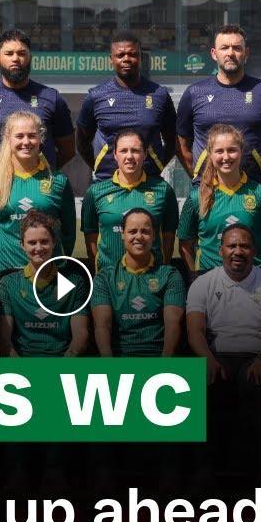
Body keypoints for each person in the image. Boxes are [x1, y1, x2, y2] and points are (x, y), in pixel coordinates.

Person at [186, 224, 261, 469]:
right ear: (220, 250)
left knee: (260, 384)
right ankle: (203, 472)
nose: (238, 251)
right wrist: (208, 361)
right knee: (198, 387)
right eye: (232, 245)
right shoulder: (202, 283)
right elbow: (195, 332)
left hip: (258, 356)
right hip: (216, 355)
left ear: (254, 251)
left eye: (244, 246)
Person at [176, 24, 261, 183]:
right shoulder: (194, 93)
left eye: (237, 48)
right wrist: (200, 179)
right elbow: (181, 146)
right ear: (214, 54)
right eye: (224, 48)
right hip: (207, 189)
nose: (230, 53)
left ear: (246, 53)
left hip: (253, 189)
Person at [0, 110, 76, 276]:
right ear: (8, 138)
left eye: (32, 136)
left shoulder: (58, 181)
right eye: (19, 136)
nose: (26, 141)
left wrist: (57, 264)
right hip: (5, 272)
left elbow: (68, 233)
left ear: (41, 138)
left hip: (47, 274)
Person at [0, 29, 75, 177]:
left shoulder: (52, 98)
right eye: (9, 54)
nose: (15, 58)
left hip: (41, 185)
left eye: (21, 53)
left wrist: (44, 171)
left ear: (30, 58)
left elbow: (68, 150)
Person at [177, 124, 261, 274]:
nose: (226, 157)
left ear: (241, 151)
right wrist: (196, 276)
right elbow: (185, 245)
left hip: (251, 282)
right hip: (209, 281)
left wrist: (257, 273)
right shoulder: (196, 196)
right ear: (210, 154)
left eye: (231, 150)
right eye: (219, 151)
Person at [75, 31, 177, 181]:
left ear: (140, 57)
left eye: (132, 54)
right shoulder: (96, 96)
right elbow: (82, 142)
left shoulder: (159, 95)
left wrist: (157, 167)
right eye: (120, 55)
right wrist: (100, 167)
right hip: (107, 181)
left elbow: (173, 141)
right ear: (111, 59)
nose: (126, 59)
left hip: (149, 182)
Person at [80, 130, 178, 273]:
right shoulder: (95, 192)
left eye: (135, 151)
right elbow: (91, 240)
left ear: (145, 154)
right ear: (115, 155)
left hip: (151, 277)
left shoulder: (163, 190)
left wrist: (160, 272)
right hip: (109, 279)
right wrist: (102, 273)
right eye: (123, 151)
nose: (129, 156)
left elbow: (169, 239)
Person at [92, 208, 185, 357]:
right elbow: (102, 326)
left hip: (158, 358)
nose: (139, 237)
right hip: (118, 360)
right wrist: (109, 365)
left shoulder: (170, 275)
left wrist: (165, 364)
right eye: (132, 231)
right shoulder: (104, 277)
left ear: (154, 236)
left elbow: (173, 323)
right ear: (122, 235)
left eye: (145, 231)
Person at [0, 210, 89, 357]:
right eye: (32, 243)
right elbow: (4, 341)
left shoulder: (75, 282)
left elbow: (80, 338)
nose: (38, 248)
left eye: (44, 241)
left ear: (54, 243)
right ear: (22, 245)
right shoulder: (7, 284)